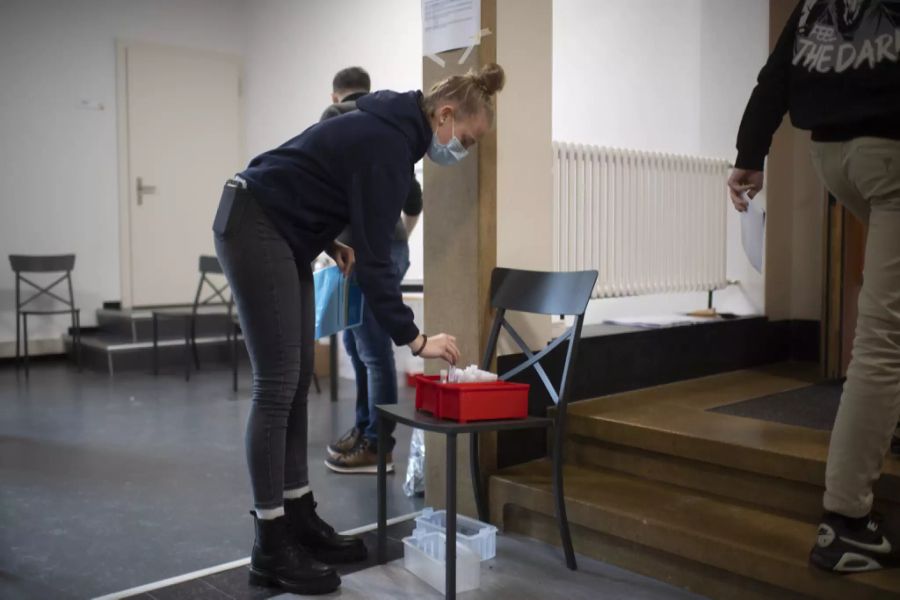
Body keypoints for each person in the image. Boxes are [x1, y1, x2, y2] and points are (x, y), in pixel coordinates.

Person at [213, 62, 505, 594]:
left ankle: (297, 516)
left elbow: (308, 176)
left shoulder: (389, 126)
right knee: (276, 387)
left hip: (277, 225)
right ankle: (270, 545)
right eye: (465, 138)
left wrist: (330, 241)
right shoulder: (388, 147)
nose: (462, 149)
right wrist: (417, 340)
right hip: (254, 224)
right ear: (443, 116)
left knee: (296, 379)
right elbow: (376, 266)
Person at [728, 0, 899, 574]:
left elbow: (776, 74)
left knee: (889, 305)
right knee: (883, 340)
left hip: (833, 155)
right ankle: (847, 524)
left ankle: (886, 422)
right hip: (891, 151)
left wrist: (749, 155)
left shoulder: (815, 5)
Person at [316, 66, 425, 475]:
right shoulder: (385, 125)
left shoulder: (334, 118)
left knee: (372, 351)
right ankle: (365, 429)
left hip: (360, 249)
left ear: (334, 95)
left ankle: (378, 447)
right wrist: (400, 237)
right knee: (360, 348)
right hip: (386, 245)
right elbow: (414, 198)